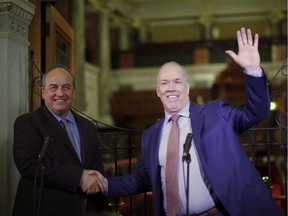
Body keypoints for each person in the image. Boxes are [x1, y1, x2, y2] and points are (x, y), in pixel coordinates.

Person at [90, 28, 281, 216]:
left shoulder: (216, 113)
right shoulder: (150, 135)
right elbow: (142, 180)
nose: (170, 88)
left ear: (187, 88)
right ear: (158, 91)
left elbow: (257, 112)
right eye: (164, 83)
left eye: (177, 82)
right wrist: (105, 184)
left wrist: (253, 70)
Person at [12, 66, 110, 216]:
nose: (60, 93)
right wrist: (79, 176)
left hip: (87, 210)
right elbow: (30, 165)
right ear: (43, 92)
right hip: (46, 209)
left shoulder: (88, 126)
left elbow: (95, 168)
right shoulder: (27, 123)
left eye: (66, 87)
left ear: (74, 92)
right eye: (53, 87)